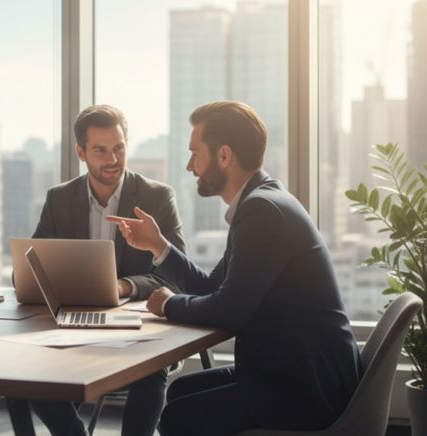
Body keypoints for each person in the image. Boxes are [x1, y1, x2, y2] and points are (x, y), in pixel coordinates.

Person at [108, 101, 362, 435]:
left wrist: (168, 304)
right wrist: (158, 244)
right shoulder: (260, 201)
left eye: (195, 154)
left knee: (179, 417)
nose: (189, 166)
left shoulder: (263, 212)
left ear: (224, 155)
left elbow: (229, 310)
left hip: (306, 388)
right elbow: (213, 287)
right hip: (293, 372)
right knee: (180, 392)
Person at [27, 104, 186, 436]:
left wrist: (125, 286)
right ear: (81, 152)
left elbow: (175, 274)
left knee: (150, 372)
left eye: (119, 148)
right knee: (29, 376)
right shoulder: (59, 198)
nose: (113, 159)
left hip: (139, 329)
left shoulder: (156, 197)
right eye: (100, 150)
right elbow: (34, 266)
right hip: (74, 326)